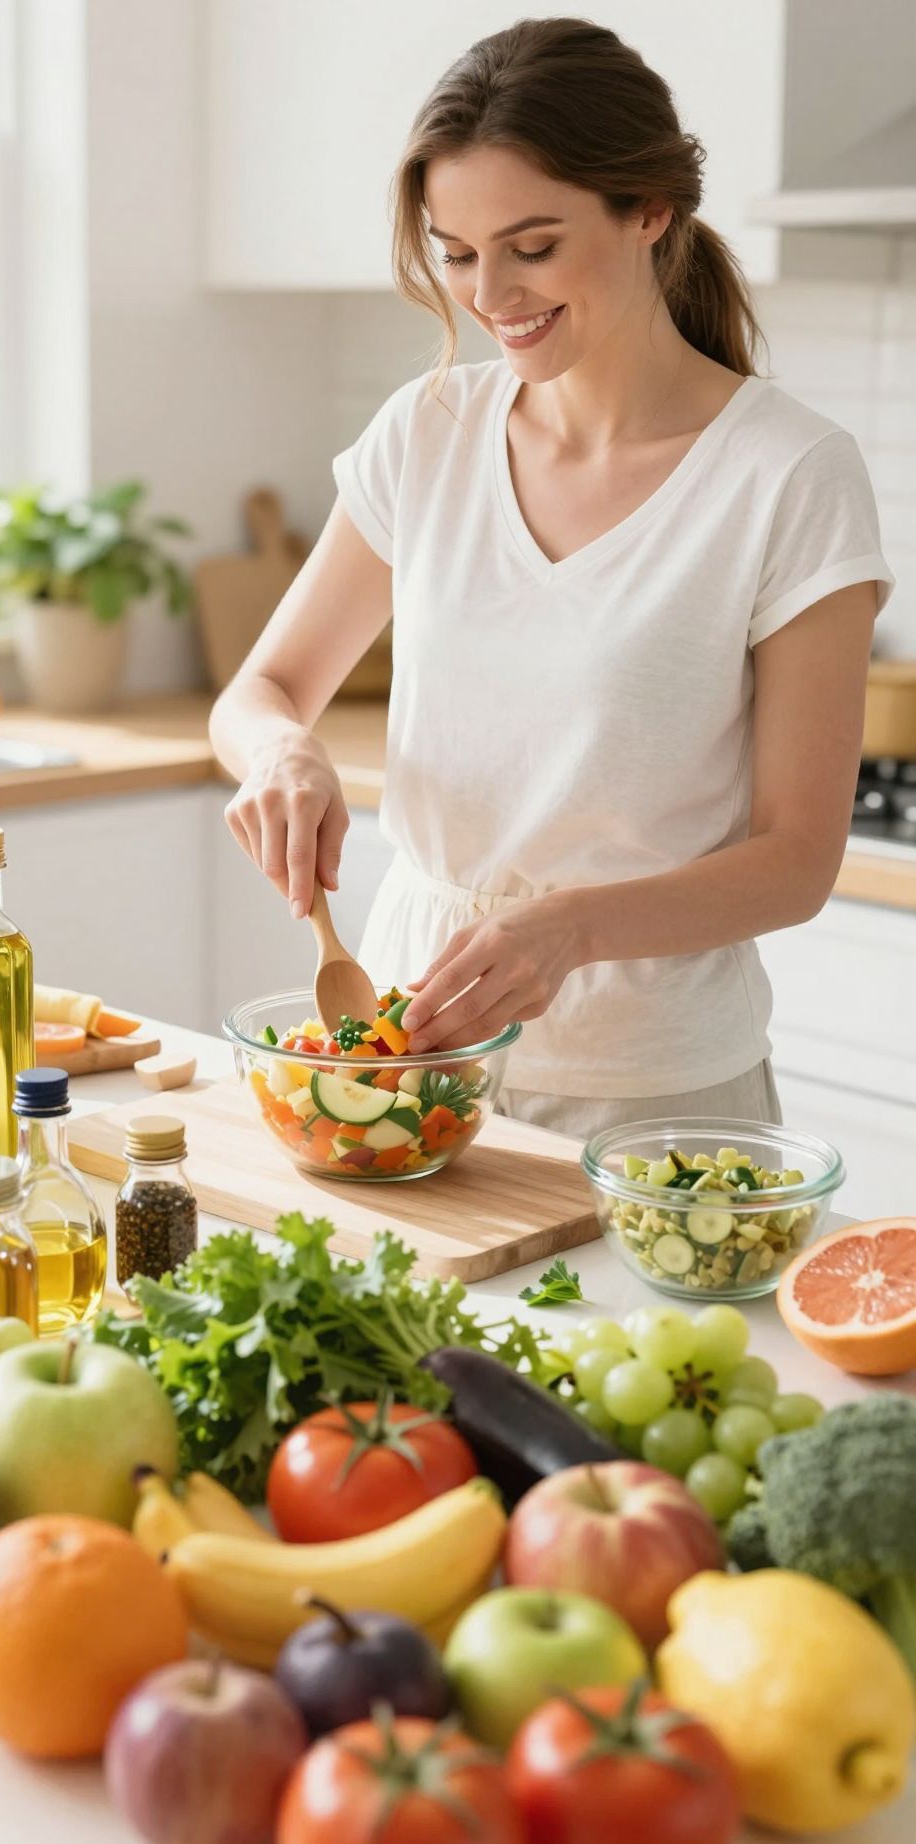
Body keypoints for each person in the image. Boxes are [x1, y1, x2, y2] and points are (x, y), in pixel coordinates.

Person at [208, 16, 892, 1140]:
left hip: (654, 1095)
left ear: (650, 210)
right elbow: (261, 689)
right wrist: (284, 754)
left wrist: (567, 928)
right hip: (406, 1055)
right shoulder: (426, 430)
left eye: (533, 246)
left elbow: (796, 859)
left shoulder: (789, 474)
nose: (491, 295)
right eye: (457, 251)